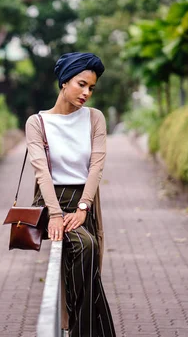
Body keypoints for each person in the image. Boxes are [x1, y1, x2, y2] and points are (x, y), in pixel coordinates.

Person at [25, 52, 116, 337]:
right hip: (51, 199)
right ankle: (88, 330)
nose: (87, 93)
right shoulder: (37, 123)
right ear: (64, 82)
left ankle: (79, 329)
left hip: (85, 201)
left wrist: (83, 207)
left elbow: (96, 166)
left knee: (89, 255)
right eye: (81, 84)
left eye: (91, 87)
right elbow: (41, 172)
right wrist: (54, 213)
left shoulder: (94, 119)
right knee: (85, 246)